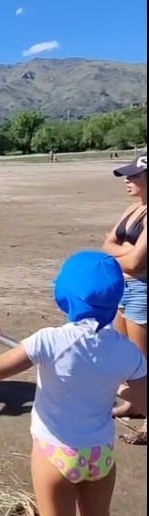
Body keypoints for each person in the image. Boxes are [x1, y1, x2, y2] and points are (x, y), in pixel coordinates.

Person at [0, 250, 147, 516]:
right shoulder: (125, 350)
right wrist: (116, 400)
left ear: (65, 295)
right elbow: (141, 398)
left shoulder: (49, 340)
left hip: (55, 454)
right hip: (100, 454)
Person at [102, 153, 147, 445]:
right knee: (123, 357)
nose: (128, 181)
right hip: (124, 288)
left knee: (143, 360)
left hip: (143, 290)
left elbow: (134, 263)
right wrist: (125, 252)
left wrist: (121, 253)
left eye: (134, 176)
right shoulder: (133, 209)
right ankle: (134, 404)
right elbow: (107, 243)